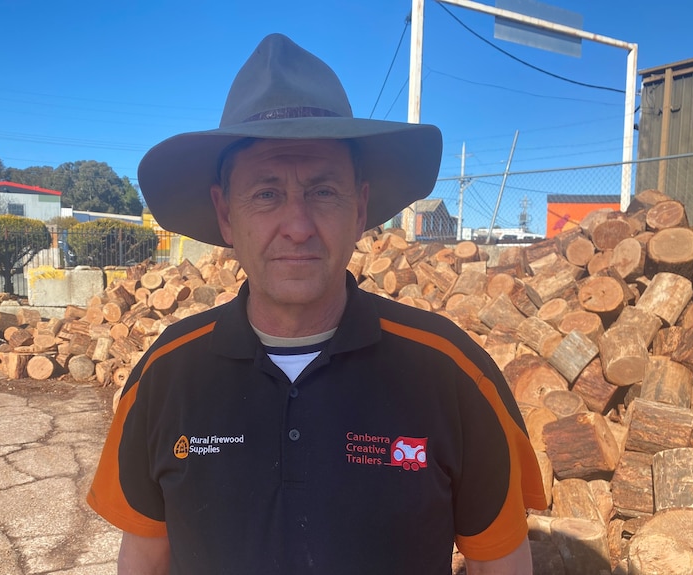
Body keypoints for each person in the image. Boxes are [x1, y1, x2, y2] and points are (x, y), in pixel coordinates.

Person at [87, 33, 547, 575]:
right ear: (225, 213)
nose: (298, 227)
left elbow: (501, 563)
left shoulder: (451, 372)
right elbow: (144, 557)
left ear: (361, 207)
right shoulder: (165, 375)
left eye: (324, 191)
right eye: (266, 193)